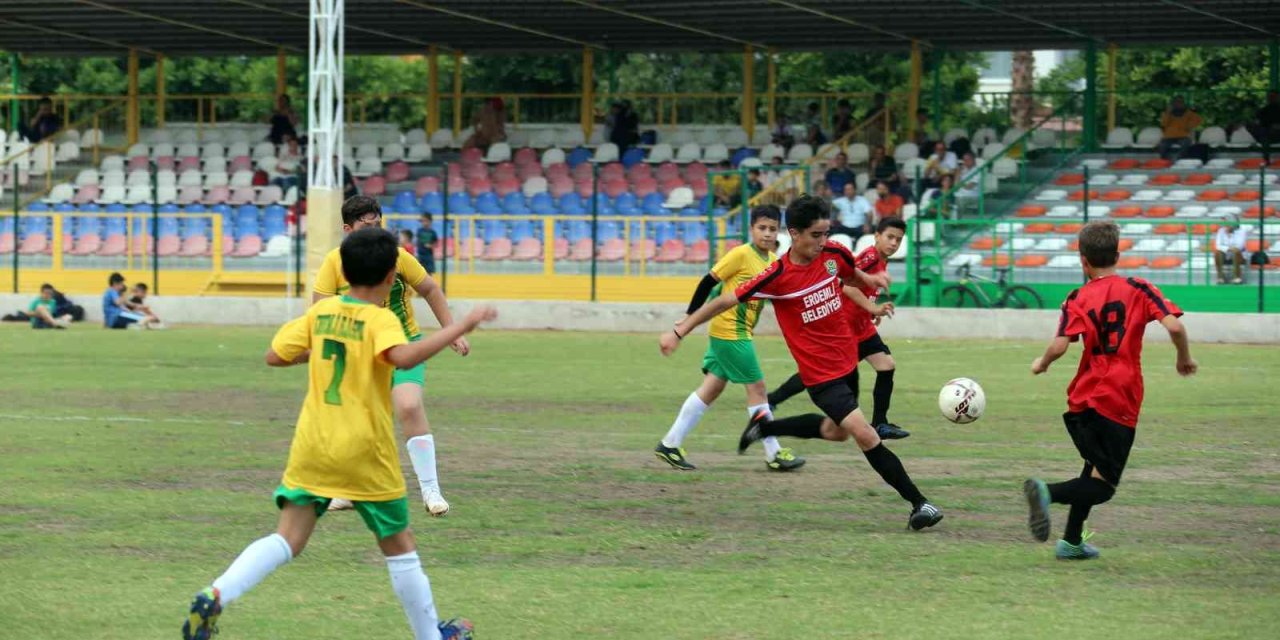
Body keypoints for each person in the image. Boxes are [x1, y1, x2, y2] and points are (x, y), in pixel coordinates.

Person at [180, 228, 490, 640]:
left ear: (343, 271)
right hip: (365, 452)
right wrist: (462, 324)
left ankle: (217, 592)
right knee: (401, 548)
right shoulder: (382, 319)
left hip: (314, 446)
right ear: (389, 277)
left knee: (287, 537)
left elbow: (275, 356)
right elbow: (404, 356)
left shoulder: (319, 315)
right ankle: (432, 637)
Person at [660, 195, 944, 531]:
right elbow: (722, 300)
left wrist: (871, 282)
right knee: (866, 435)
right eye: (815, 235)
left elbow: (850, 275)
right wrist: (680, 330)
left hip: (846, 363)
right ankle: (919, 504)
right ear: (795, 234)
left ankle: (766, 427)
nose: (823, 241)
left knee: (836, 433)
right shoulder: (777, 274)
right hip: (820, 376)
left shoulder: (833, 254)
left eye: (826, 233)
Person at [1024, 220, 1196, 560]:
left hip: (1081, 400)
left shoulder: (1076, 297)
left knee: (1092, 466)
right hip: (1119, 398)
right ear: (1117, 255)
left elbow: (1060, 346)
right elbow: (1175, 326)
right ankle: (1047, 492)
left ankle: (1071, 542)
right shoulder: (1138, 287)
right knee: (1103, 486)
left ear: (1082, 260)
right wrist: (1183, 358)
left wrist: (1041, 364)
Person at [313, 196, 470, 517]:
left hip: (403, 346)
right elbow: (320, 310)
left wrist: (452, 331)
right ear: (347, 229)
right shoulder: (333, 262)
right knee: (355, 421)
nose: (373, 231)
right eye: (364, 226)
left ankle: (431, 491)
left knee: (409, 405)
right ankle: (348, 490)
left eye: (377, 224)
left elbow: (430, 290)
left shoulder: (398, 257)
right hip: (357, 353)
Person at [653, 205, 805, 472]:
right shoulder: (741, 254)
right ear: (751, 229)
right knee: (757, 389)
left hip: (738, 331)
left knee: (711, 388)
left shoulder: (772, 262)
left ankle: (670, 443)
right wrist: (688, 317)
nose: (768, 234)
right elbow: (709, 283)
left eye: (773, 229)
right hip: (730, 331)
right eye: (762, 228)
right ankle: (774, 453)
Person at [767, 217, 910, 440]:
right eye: (889, 237)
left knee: (886, 365)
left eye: (898, 240)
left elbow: (862, 289)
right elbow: (847, 286)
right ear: (876, 236)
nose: (893, 243)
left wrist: (871, 311)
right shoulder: (870, 258)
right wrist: (873, 307)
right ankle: (772, 400)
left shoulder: (881, 260)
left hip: (862, 328)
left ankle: (880, 423)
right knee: (820, 375)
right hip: (846, 330)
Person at [1156, 96, 1202, 160]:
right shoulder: (1167, 113)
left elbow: (1198, 120)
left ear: (1183, 103)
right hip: (1169, 136)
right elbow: (1164, 124)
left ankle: (1180, 159)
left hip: (1183, 136)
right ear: (1173, 103)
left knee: (1186, 144)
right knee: (1162, 146)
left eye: (1180, 102)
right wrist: (1168, 112)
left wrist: (1189, 126)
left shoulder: (1189, 113)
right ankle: (1164, 161)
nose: (1178, 104)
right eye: (1176, 102)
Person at [1213, 217, 1248, 285]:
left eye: (1227, 222)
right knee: (1217, 253)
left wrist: (1225, 247)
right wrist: (1228, 248)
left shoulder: (1242, 231)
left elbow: (1239, 246)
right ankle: (1220, 278)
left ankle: (1237, 278)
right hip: (1226, 255)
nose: (1225, 224)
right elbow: (1218, 246)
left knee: (1236, 252)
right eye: (1224, 222)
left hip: (1240, 255)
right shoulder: (1221, 230)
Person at [1252, 91, 1280, 163]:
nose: (1272, 98)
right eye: (1271, 97)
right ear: (1268, 98)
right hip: (1268, 134)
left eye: (1274, 97)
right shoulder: (1263, 110)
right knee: (1264, 136)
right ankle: (1266, 161)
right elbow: (1257, 124)